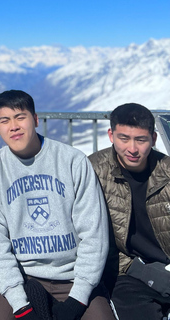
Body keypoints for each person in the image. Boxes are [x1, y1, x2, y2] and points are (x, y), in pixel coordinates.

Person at [0, 90, 115, 320]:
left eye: (20, 117)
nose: (14, 126)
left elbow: (94, 234)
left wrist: (78, 299)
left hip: (75, 278)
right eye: (5, 120)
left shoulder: (72, 161)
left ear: (36, 119)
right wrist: (20, 305)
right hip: (23, 280)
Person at [88, 103, 170, 319]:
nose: (132, 149)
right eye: (124, 138)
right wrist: (143, 272)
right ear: (111, 135)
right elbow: (89, 236)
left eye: (140, 140)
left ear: (153, 139)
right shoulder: (94, 170)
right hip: (126, 271)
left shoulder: (167, 171)